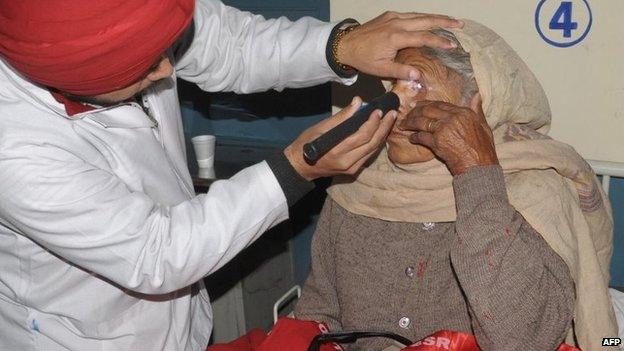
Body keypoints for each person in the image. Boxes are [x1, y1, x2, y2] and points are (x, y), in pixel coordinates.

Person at [0, 1, 465, 350]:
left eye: (168, 49)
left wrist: (339, 45)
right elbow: (158, 254)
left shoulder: (134, 10)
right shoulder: (15, 146)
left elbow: (231, 45)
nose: (168, 70)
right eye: (145, 67)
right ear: (77, 78)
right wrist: (294, 170)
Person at [294, 21, 617, 351]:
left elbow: (523, 340)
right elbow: (319, 314)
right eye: (394, 85)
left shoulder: (535, 191)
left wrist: (476, 170)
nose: (395, 104)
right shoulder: (357, 184)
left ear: (479, 105)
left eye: (417, 87)